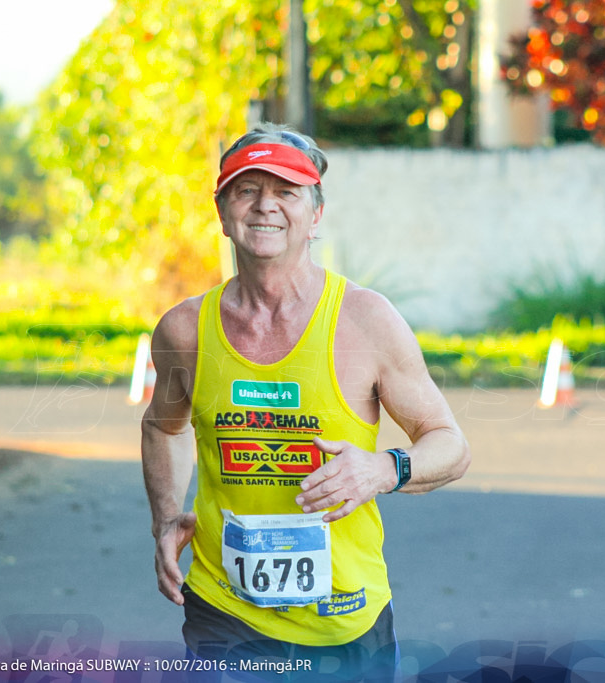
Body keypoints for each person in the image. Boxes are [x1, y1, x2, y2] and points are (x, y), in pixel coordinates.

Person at [140, 122, 470, 681]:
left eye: (286, 191)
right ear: (222, 212)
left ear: (315, 214)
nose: (265, 205)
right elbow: (165, 427)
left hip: (344, 618)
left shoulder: (366, 321)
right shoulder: (184, 331)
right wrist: (167, 517)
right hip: (225, 611)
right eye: (247, 190)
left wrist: (380, 470)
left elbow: (450, 445)